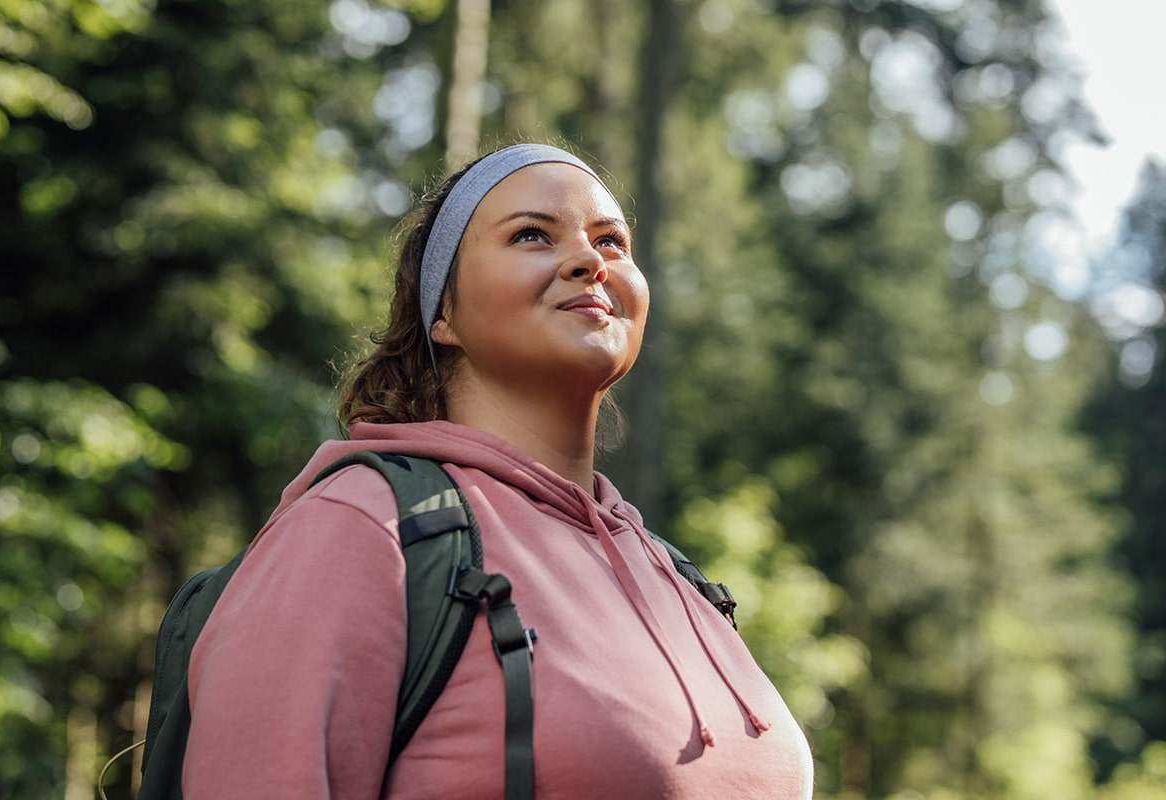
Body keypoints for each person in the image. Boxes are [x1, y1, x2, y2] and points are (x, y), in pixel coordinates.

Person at [182, 143, 815, 798]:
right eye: (532, 234)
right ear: (443, 314)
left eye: (611, 241)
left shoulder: (675, 576)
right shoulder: (363, 528)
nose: (589, 260)